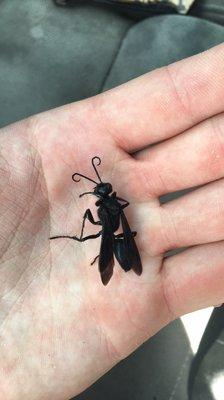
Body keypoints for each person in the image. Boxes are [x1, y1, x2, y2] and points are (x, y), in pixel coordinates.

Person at [0, 40, 224, 399]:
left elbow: (103, 215)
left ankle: (81, 243)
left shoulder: (108, 207)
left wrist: (98, 221)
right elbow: (112, 212)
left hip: (119, 241)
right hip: (121, 243)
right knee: (112, 237)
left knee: (104, 236)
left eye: (101, 193)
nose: (103, 193)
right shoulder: (113, 206)